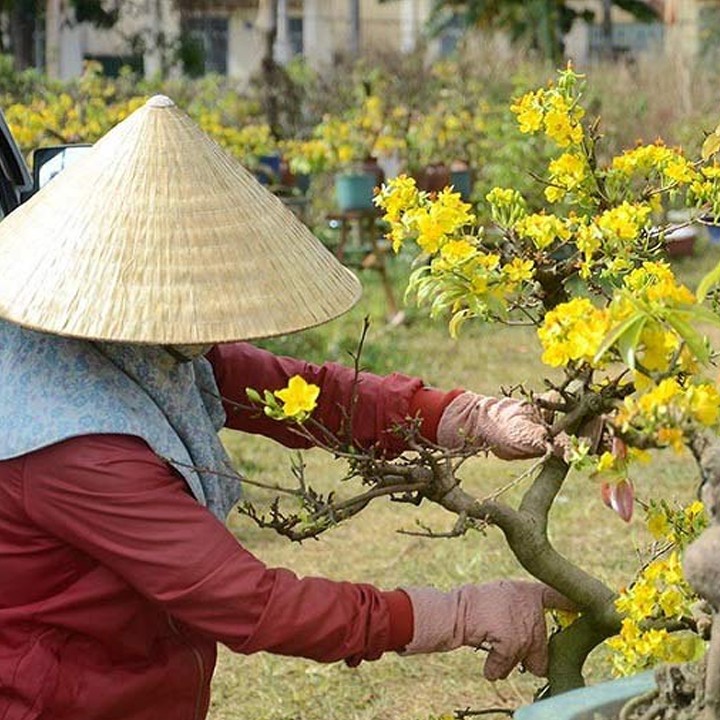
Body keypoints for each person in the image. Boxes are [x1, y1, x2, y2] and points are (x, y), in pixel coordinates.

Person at [0, 96, 572, 720]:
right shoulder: (75, 448)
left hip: (130, 676)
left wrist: (468, 416)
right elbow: (250, 602)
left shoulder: (132, 343)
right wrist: (452, 614)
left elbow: (307, 395)